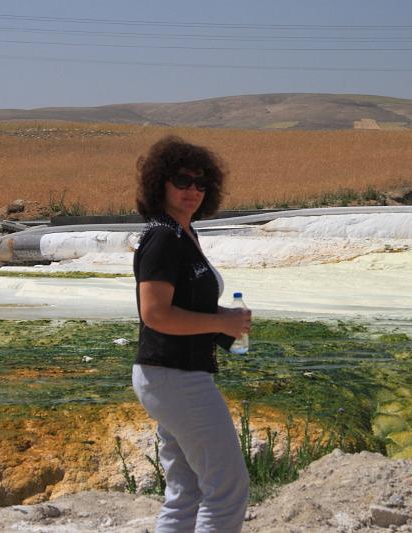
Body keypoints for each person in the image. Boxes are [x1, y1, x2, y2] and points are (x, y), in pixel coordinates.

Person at [131, 135, 252, 532]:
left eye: (201, 184)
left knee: (186, 491)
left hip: (173, 375)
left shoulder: (184, 234)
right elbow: (156, 314)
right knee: (227, 488)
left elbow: (181, 305)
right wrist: (222, 323)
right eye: (182, 181)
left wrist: (224, 317)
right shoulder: (164, 239)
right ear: (160, 183)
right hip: (176, 377)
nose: (193, 191)